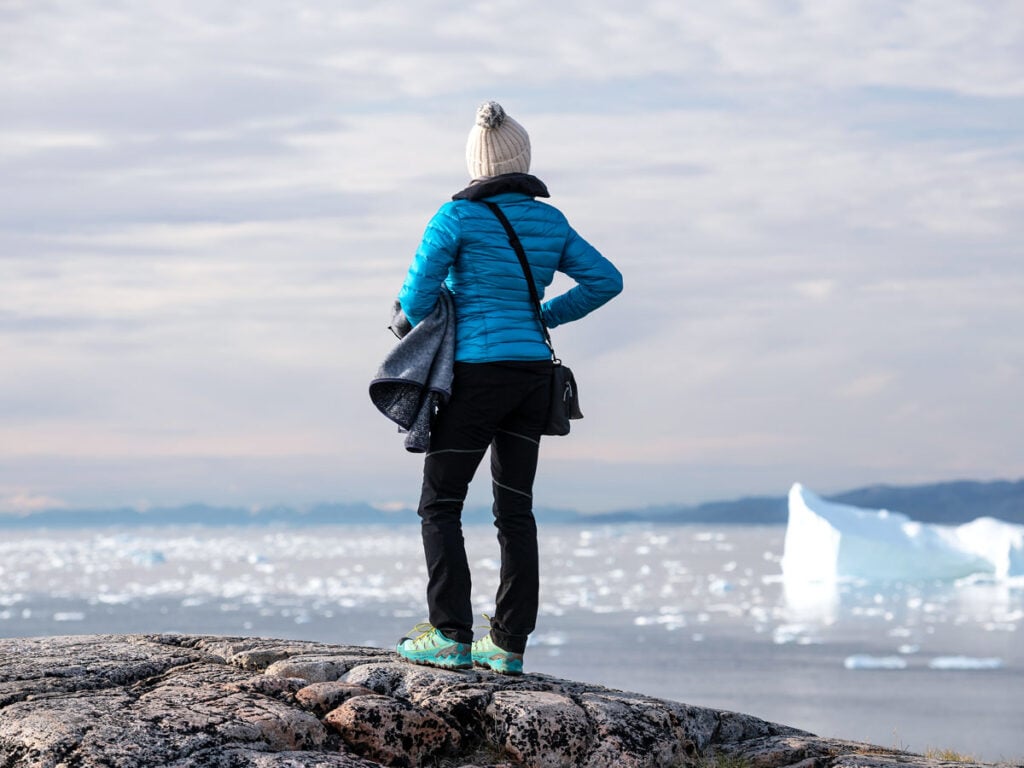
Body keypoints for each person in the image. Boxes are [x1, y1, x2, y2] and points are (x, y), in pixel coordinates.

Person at [394, 101, 622, 675]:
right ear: (521, 159)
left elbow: (418, 296)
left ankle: (449, 634)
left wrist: (405, 320)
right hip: (531, 376)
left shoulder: (456, 218)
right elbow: (606, 281)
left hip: (476, 375)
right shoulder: (551, 222)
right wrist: (544, 317)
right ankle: (508, 644)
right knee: (514, 511)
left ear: (475, 164)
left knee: (440, 503)